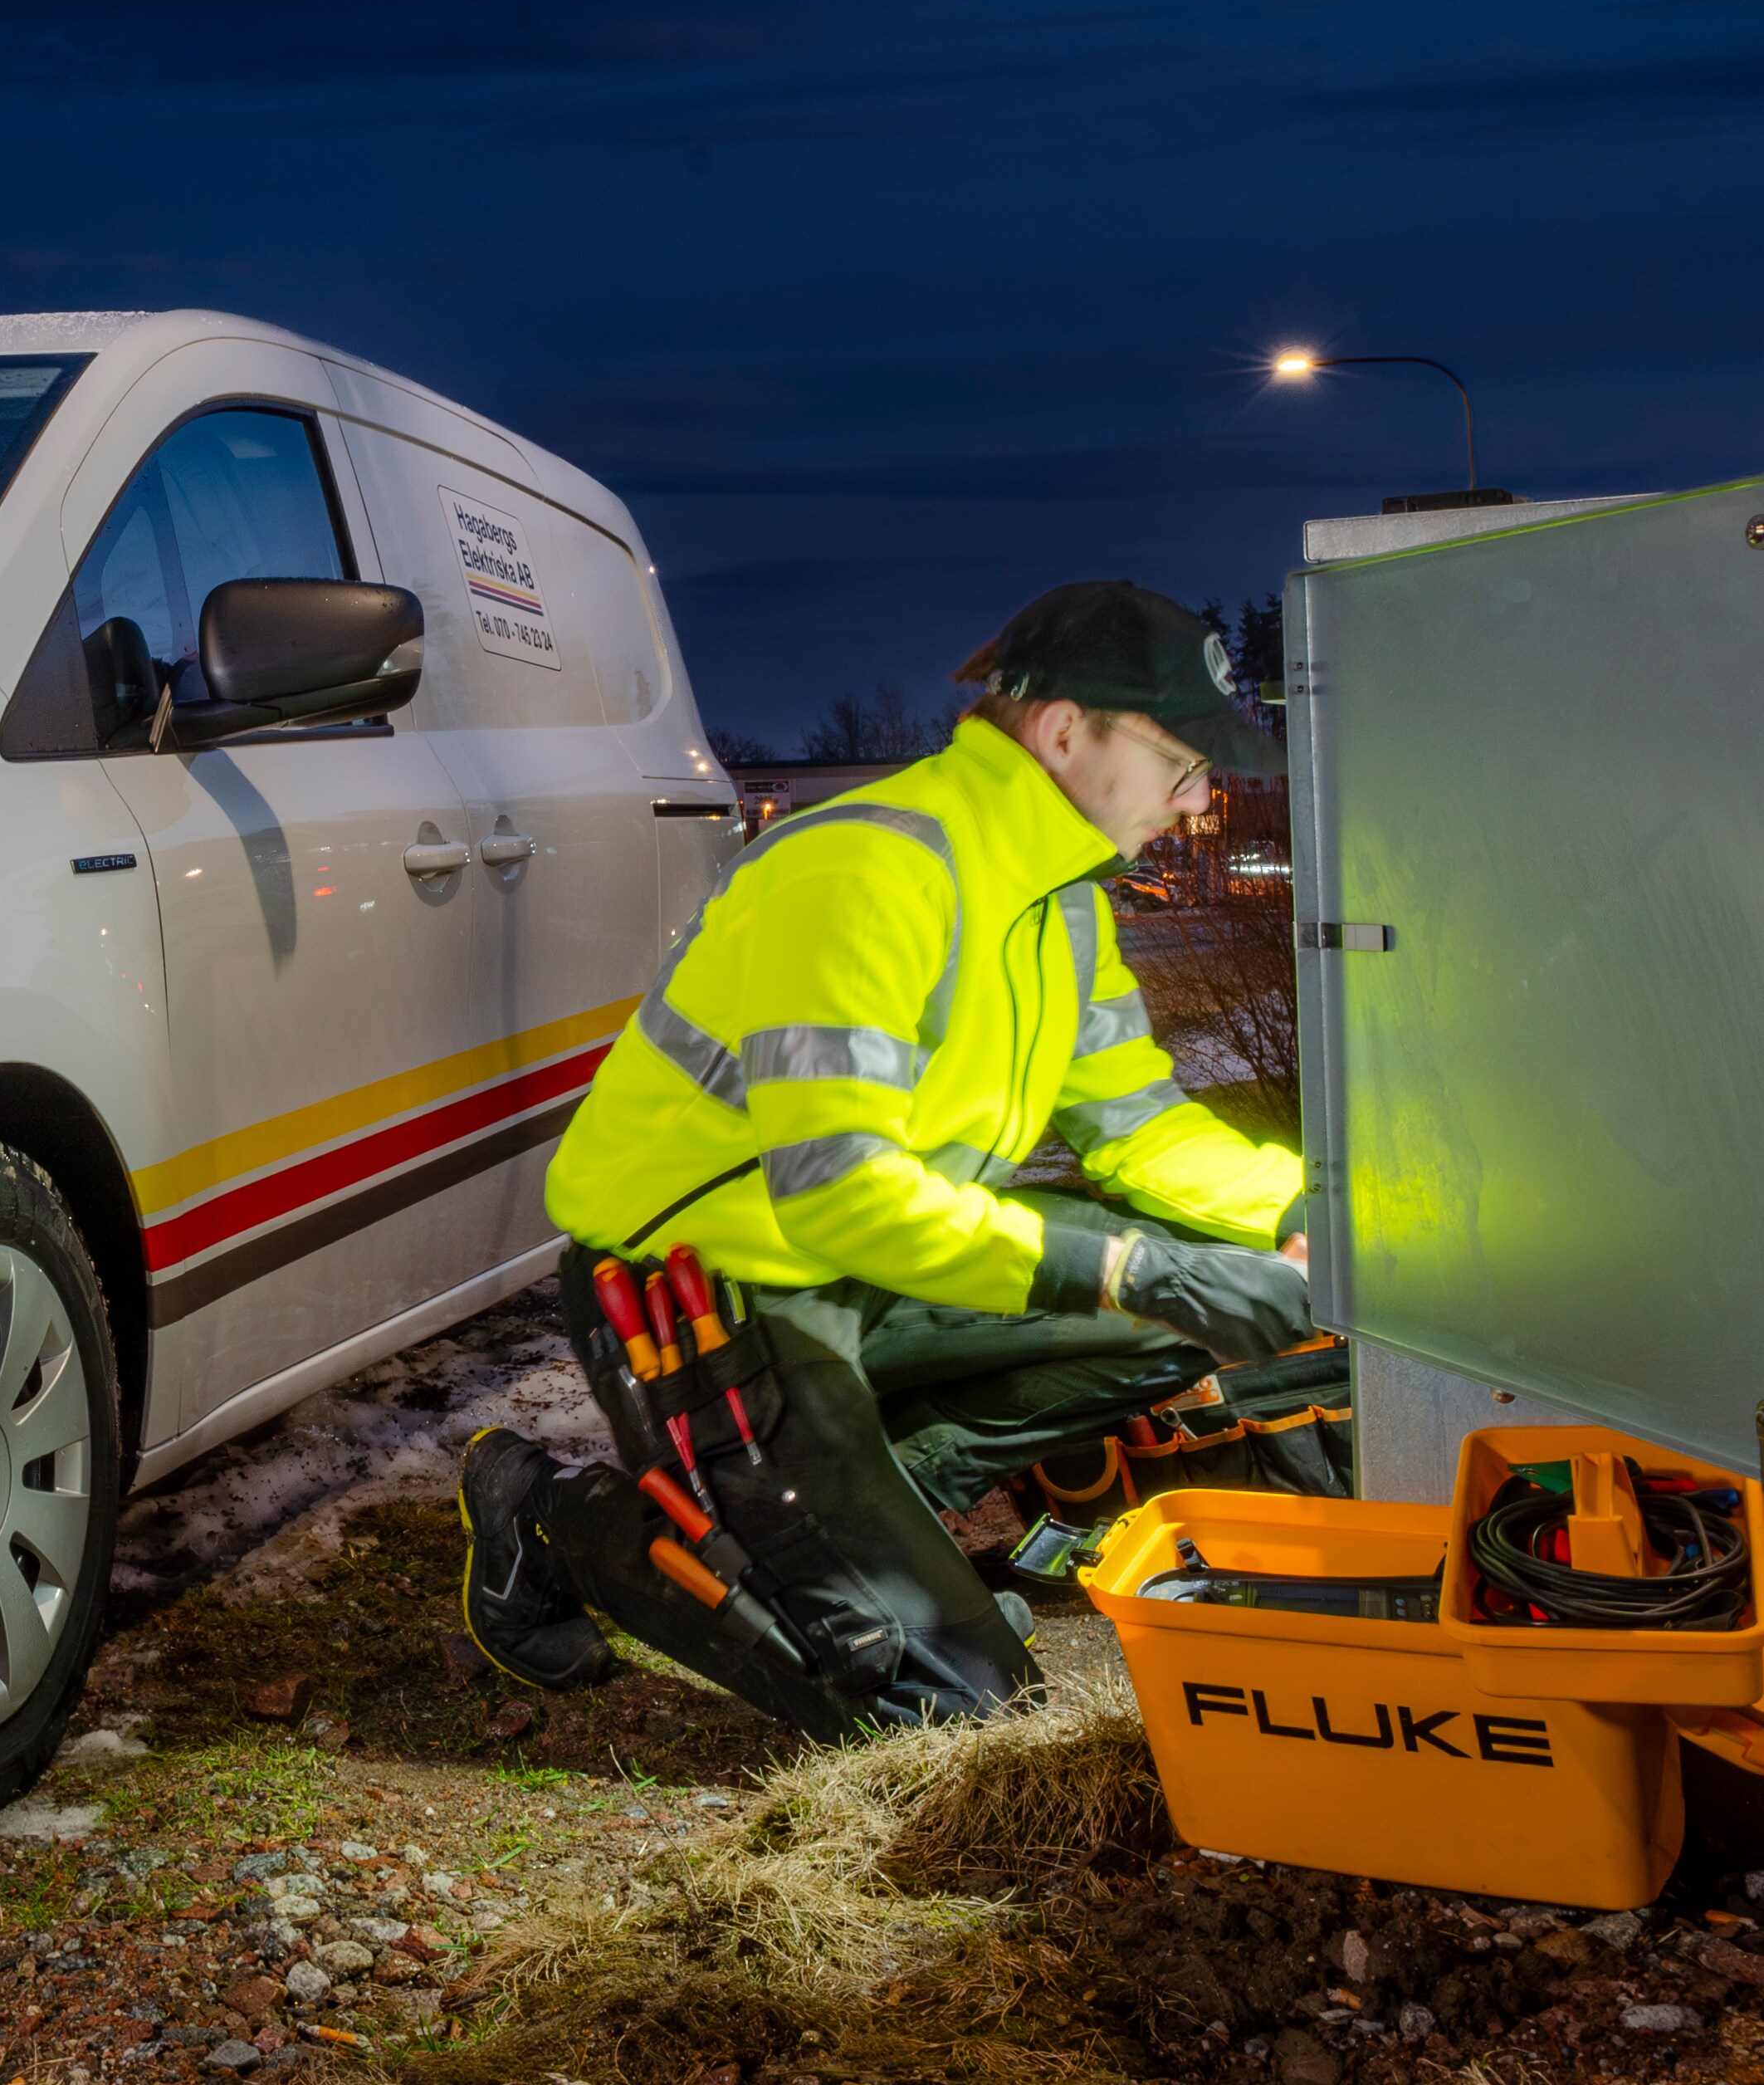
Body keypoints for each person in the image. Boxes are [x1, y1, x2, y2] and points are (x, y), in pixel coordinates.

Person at [458, 581, 1318, 1735]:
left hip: (876, 1272)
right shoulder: (865, 871)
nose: (1199, 795)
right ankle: (552, 1519)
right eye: (1179, 759)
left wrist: (1305, 1212)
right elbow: (837, 1189)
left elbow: (1142, 1129)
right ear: (1064, 731)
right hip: (711, 1288)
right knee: (947, 1714)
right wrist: (1127, 1270)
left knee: (1201, 1297)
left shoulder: (1056, 907)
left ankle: (847, 1510)